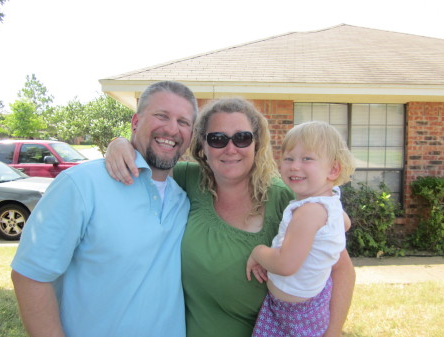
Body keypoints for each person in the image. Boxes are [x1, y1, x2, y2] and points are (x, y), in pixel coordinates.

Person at [106, 98, 356, 337]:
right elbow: (147, 161)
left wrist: (332, 332)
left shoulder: (289, 199)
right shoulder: (188, 180)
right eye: (217, 139)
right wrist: (120, 143)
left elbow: (341, 269)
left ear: (256, 144)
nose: (230, 148)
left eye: (242, 138)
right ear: (202, 146)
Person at [10, 81, 199, 337]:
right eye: (161, 116)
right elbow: (30, 277)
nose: (172, 128)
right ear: (135, 122)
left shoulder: (184, 197)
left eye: (183, 122)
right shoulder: (81, 185)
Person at [246, 121, 356, 337]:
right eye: (289, 158)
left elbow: (285, 265)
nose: (295, 166)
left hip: (293, 315)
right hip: (312, 305)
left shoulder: (308, 212)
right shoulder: (330, 202)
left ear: (333, 169)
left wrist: (257, 251)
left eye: (307, 159)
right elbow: (346, 223)